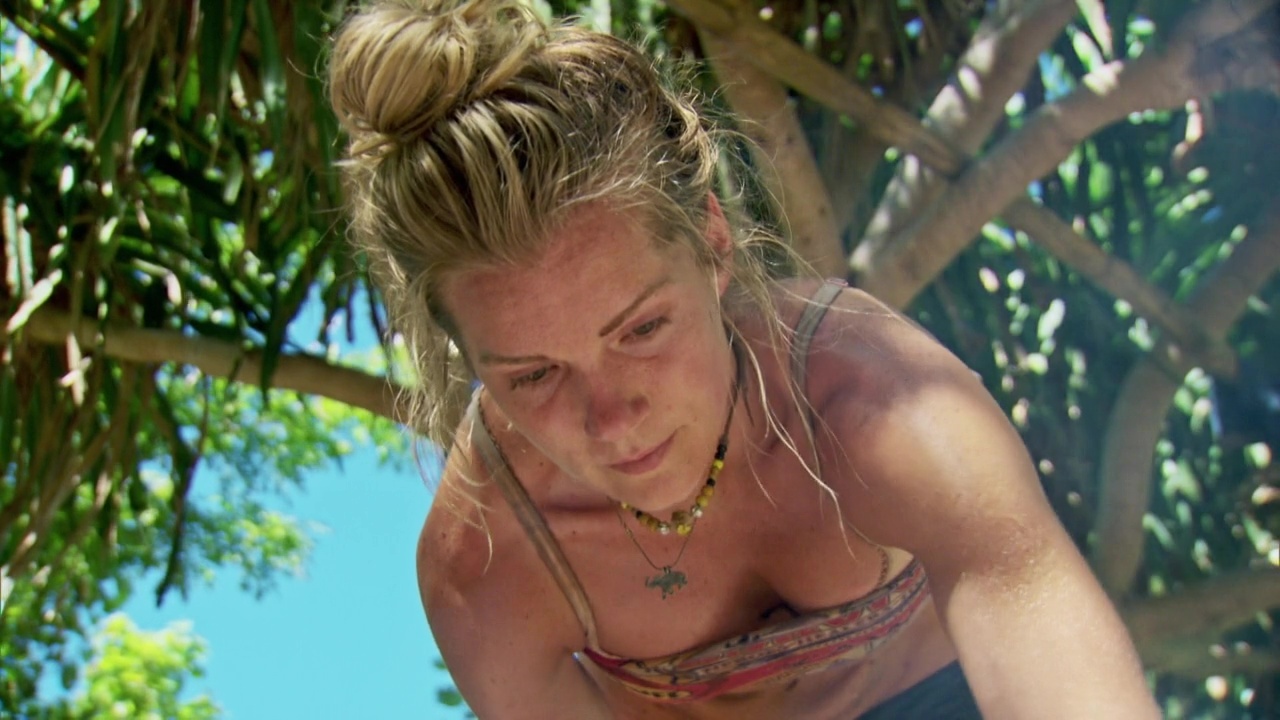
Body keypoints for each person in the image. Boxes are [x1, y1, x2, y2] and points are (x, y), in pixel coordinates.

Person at [327, 1, 1161, 717]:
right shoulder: (487, 561)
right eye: (534, 375)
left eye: (641, 329)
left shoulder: (879, 397)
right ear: (465, 356)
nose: (612, 420)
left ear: (715, 242)